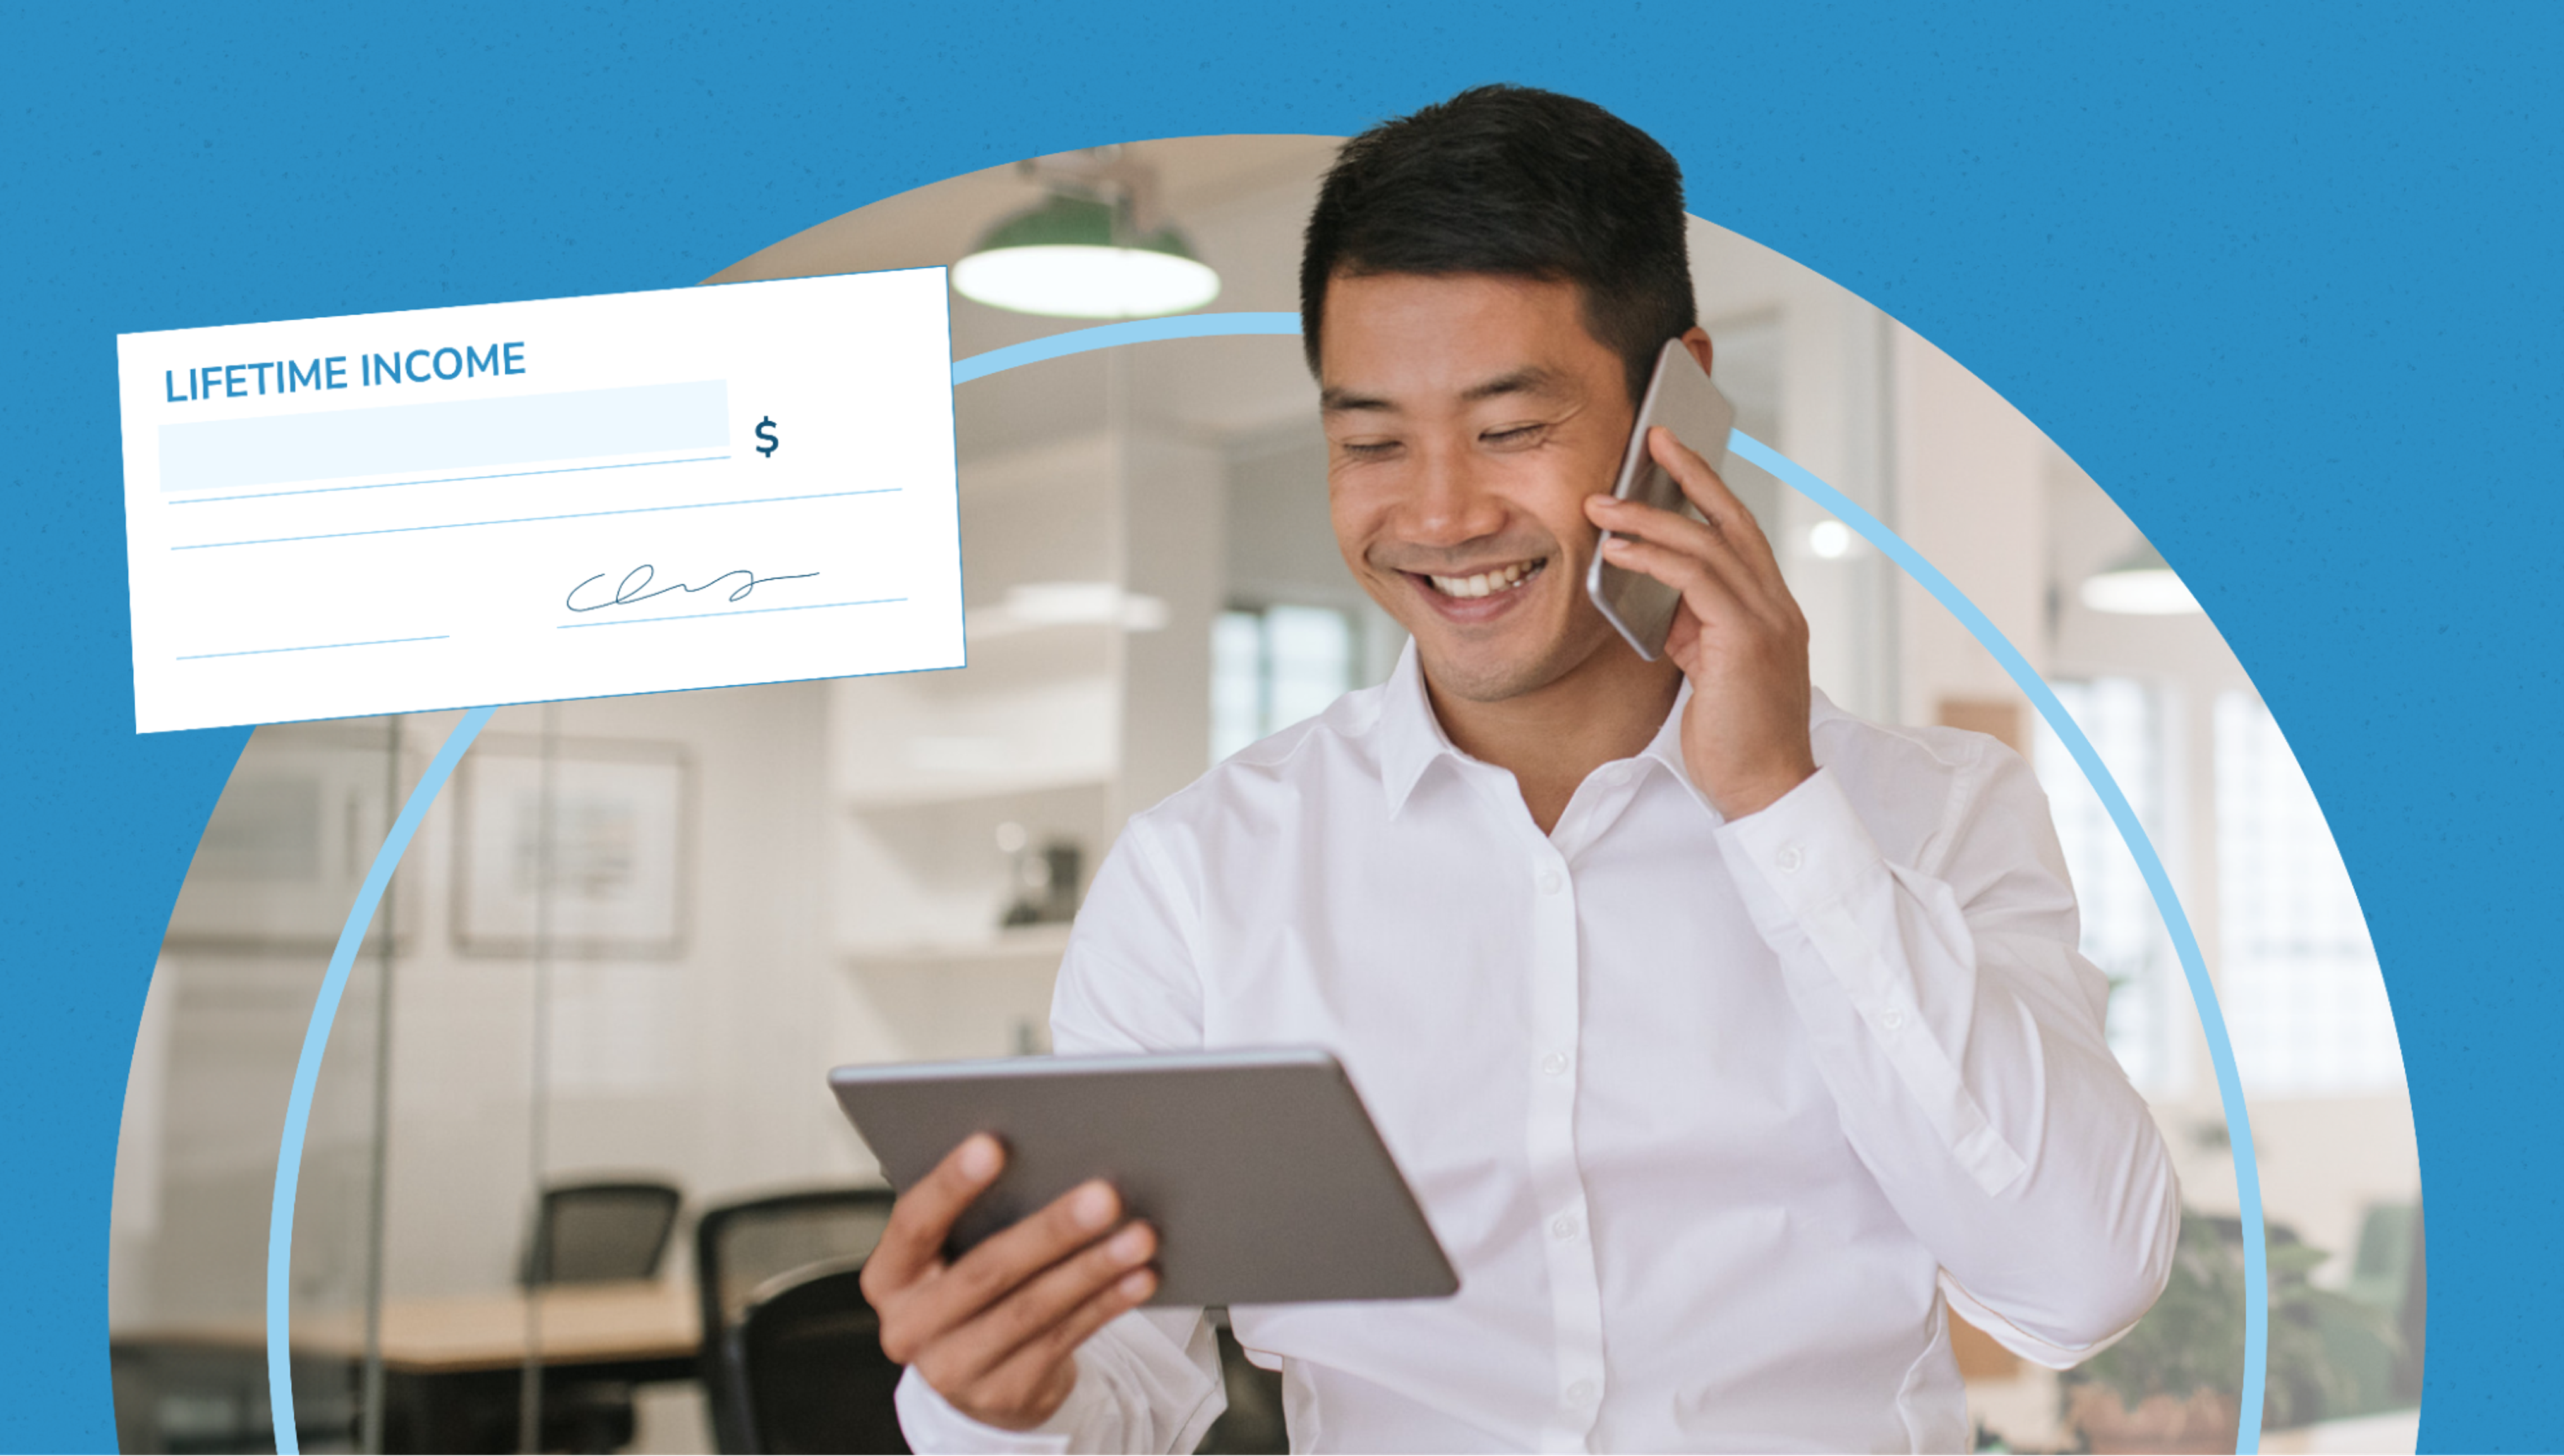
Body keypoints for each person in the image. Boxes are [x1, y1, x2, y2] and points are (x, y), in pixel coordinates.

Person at [860, 85, 2179, 1455]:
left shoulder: (1934, 809)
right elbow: (1119, 1388)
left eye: (1507, 429)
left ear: (1680, 397)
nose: (1436, 515)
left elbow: (2078, 1287)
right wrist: (995, 1403)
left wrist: (1780, 808)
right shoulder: (1202, 875)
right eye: (1369, 440)